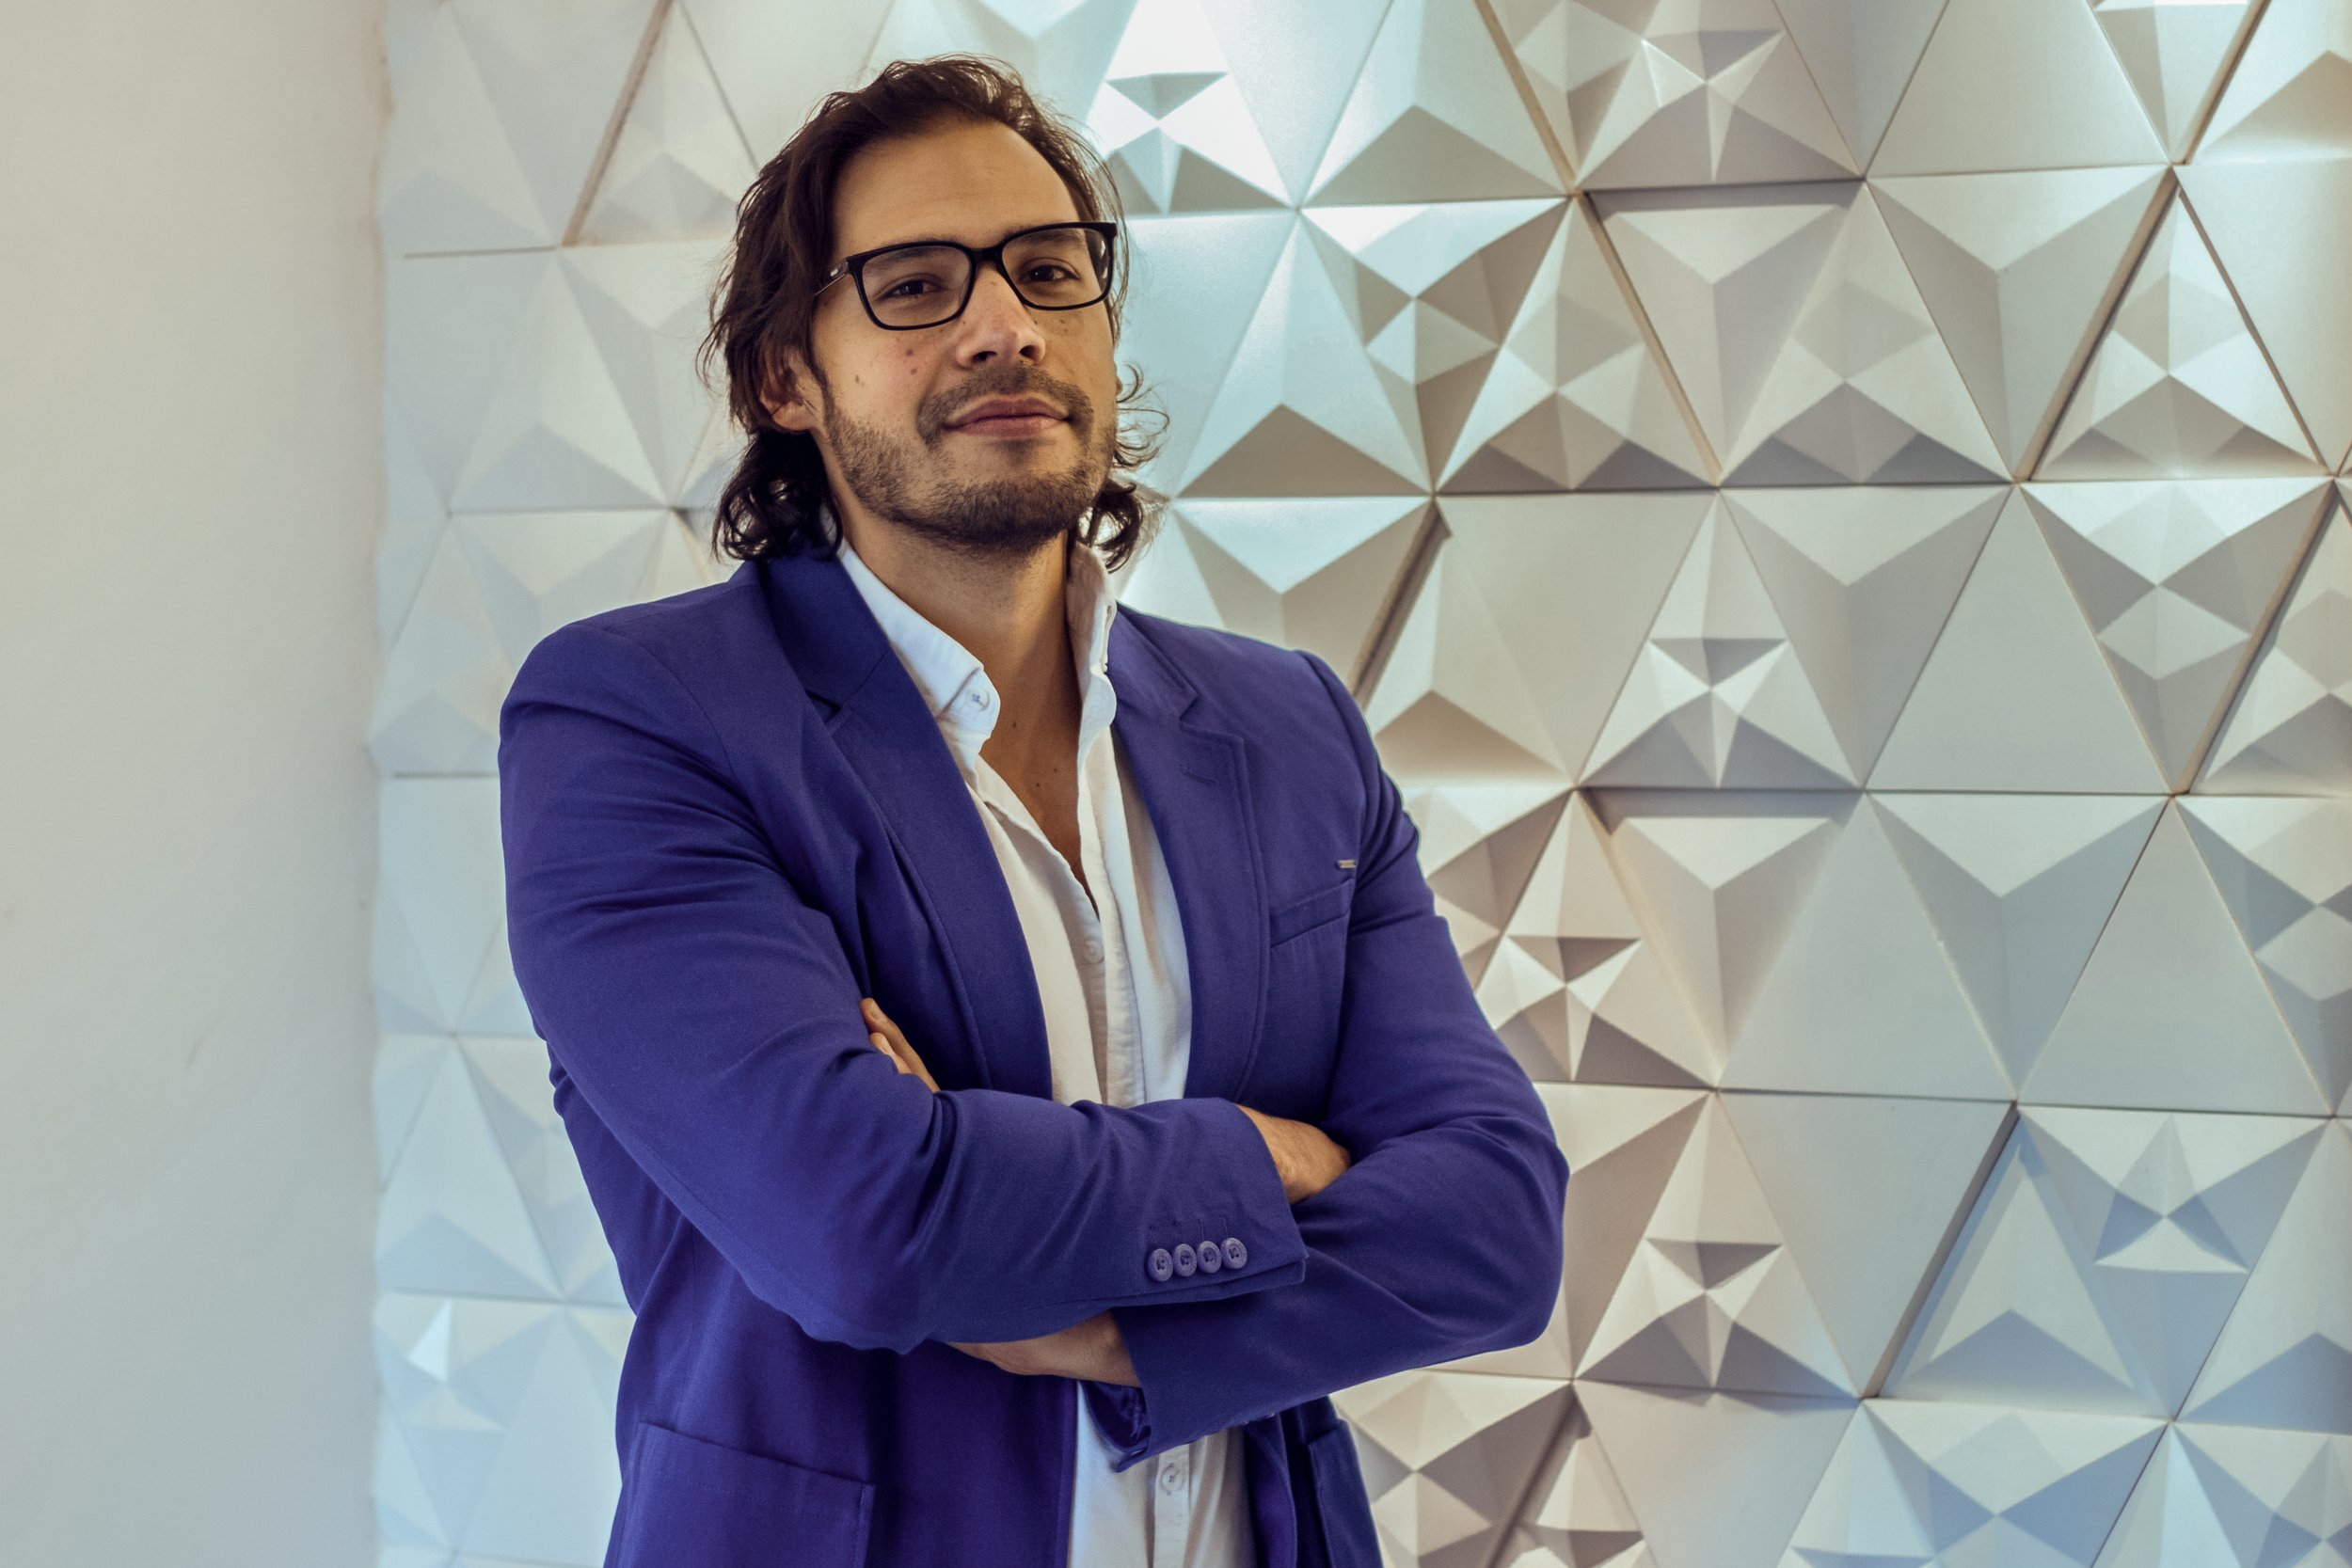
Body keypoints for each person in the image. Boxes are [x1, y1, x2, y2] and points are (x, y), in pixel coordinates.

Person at [495, 53, 1568, 1568]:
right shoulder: (640, 719)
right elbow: (863, 1226)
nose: (1005, 324)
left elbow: (1499, 1229)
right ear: (784, 379)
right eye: (915, 284)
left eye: (1051, 270)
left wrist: (1105, 1321)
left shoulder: (1288, 727)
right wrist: (1282, 1159)